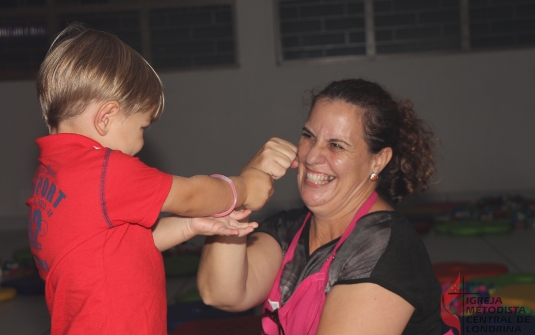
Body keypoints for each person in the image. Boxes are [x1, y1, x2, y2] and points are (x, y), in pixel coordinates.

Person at [26, 23, 297, 335]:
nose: (141, 144)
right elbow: (191, 195)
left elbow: (120, 247)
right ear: (106, 117)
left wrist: (190, 226)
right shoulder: (103, 171)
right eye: (141, 127)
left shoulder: (54, 172)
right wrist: (244, 186)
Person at [197, 78, 442, 334]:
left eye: (336, 145)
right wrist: (240, 191)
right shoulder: (288, 229)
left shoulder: (386, 249)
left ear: (378, 161)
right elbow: (221, 293)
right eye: (308, 136)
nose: (311, 156)